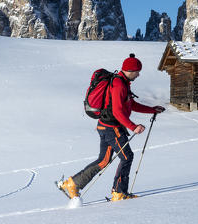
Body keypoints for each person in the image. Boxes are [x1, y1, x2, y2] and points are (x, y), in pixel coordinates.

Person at [58, 53, 165, 201]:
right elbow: (117, 111)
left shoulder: (122, 83)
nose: (139, 75)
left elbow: (130, 105)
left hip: (105, 126)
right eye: (137, 71)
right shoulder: (119, 84)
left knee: (103, 160)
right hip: (111, 127)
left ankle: (72, 184)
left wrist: (152, 109)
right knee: (127, 156)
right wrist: (133, 127)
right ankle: (119, 192)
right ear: (131, 70)